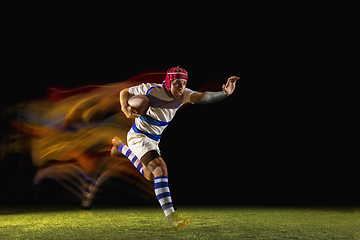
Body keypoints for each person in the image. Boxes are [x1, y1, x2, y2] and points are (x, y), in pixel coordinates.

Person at [111, 66, 239, 230]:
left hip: (154, 140)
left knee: (150, 175)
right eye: (178, 83)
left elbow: (203, 97)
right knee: (160, 169)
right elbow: (124, 92)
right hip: (139, 136)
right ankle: (172, 217)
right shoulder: (151, 89)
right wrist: (125, 107)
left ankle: (121, 147)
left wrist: (225, 93)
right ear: (169, 82)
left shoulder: (184, 95)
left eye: (184, 83)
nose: (181, 87)